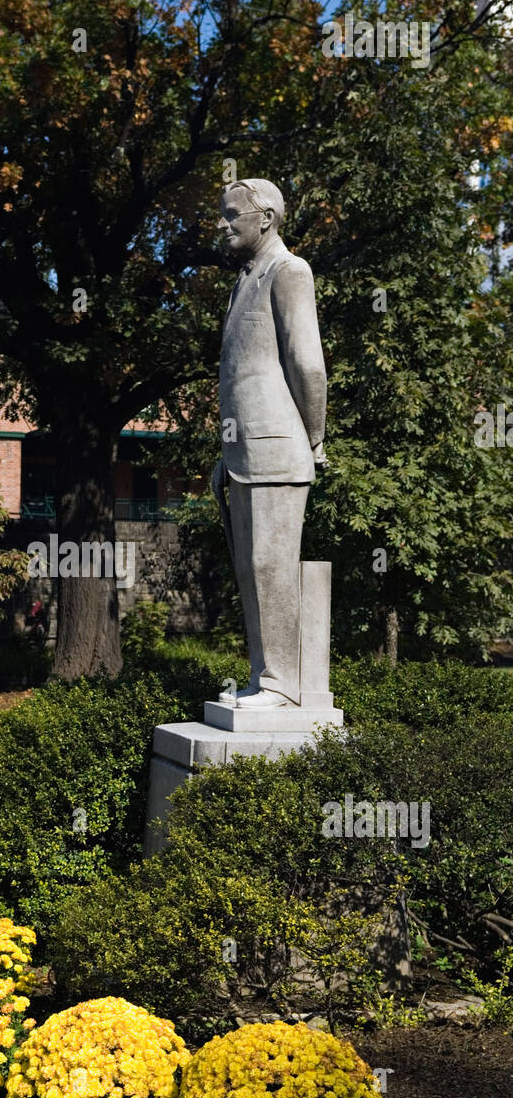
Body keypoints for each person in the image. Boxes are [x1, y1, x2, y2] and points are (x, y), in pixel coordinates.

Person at [212, 178, 328, 709]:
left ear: (266, 218)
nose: (222, 224)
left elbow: (307, 363)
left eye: (231, 214)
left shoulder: (289, 271)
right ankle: (265, 677)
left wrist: (314, 438)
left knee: (270, 567)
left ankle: (282, 684)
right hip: (243, 451)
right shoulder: (243, 281)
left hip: (278, 445)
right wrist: (226, 452)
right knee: (249, 569)